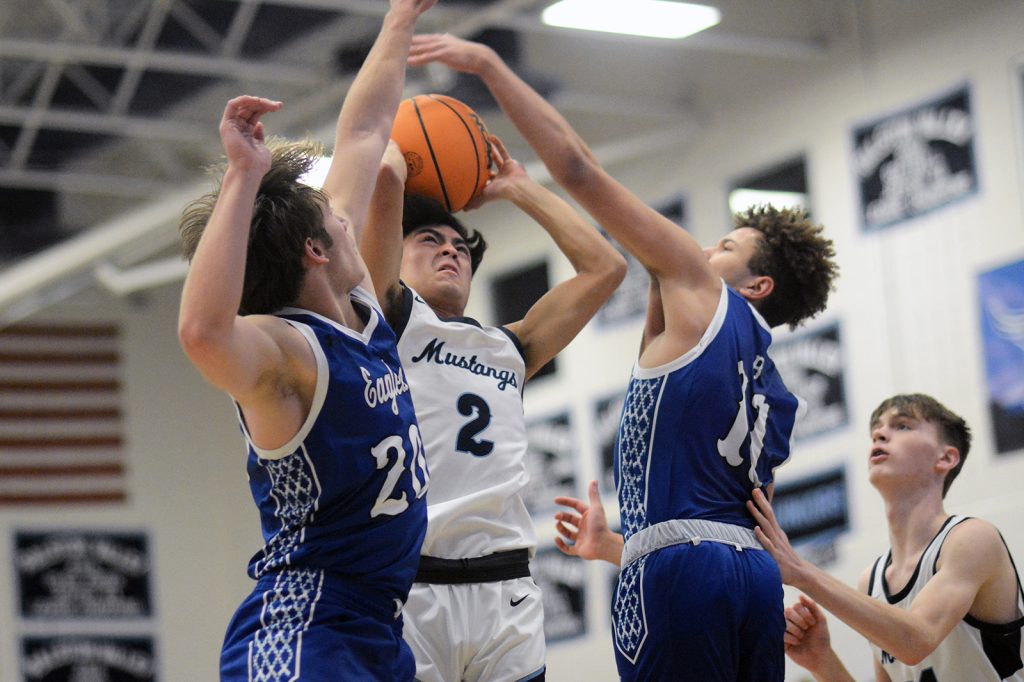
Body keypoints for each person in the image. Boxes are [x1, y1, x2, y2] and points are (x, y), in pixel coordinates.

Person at [407, 34, 839, 682]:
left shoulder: (696, 287)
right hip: (752, 576)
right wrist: (616, 545)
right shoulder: (775, 385)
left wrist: (491, 68)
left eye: (725, 244)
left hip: (677, 567)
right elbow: (753, 516)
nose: (703, 248)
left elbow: (579, 170)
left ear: (757, 286)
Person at [176, 1, 434, 679]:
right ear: (316, 251)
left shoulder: (356, 313)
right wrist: (243, 175)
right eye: (336, 220)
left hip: (375, 628)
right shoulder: (286, 352)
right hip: (304, 627)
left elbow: (367, 130)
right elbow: (203, 333)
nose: (350, 218)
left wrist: (399, 20)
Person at [358, 116, 625, 680]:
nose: (450, 251)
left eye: (460, 246)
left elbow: (606, 267)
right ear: (397, 260)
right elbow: (383, 178)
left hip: (505, 588)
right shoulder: (389, 322)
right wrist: (403, 161)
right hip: (412, 585)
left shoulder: (511, 347)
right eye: (429, 240)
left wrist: (519, 189)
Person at [749, 393, 1024, 682]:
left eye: (902, 425)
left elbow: (916, 639)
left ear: (945, 457)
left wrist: (801, 571)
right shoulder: (873, 581)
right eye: (877, 429)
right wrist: (822, 661)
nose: (880, 433)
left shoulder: (971, 539)